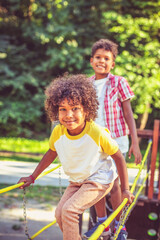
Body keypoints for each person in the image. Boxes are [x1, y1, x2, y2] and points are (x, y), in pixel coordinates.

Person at [18, 74, 134, 240]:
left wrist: (125, 190)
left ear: (86, 110)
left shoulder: (96, 132)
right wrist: (32, 176)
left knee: (70, 210)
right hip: (78, 181)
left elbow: (118, 158)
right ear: (55, 111)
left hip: (99, 180)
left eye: (75, 108)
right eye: (62, 109)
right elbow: (51, 153)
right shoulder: (58, 132)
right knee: (59, 213)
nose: (68, 114)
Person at [83, 39, 142, 240]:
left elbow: (128, 113)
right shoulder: (86, 84)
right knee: (95, 182)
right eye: (98, 57)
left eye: (106, 58)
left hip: (116, 140)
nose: (102, 61)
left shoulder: (119, 82)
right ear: (91, 61)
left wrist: (135, 142)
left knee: (114, 184)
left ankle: (119, 225)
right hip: (93, 143)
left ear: (112, 63)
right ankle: (102, 224)